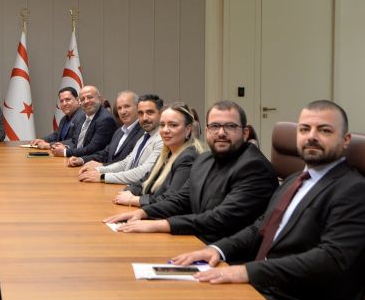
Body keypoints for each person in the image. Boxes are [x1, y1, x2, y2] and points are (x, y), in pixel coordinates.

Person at [172, 100, 365, 300]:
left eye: (324, 130)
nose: (312, 137)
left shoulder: (353, 191)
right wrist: (217, 249)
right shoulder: (295, 180)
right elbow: (260, 227)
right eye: (304, 129)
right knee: (183, 297)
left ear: (345, 140)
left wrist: (247, 272)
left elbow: (330, 259)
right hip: (272, 286)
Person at [106, 100, 278, 243]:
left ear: (245, 133)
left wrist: (160, 225)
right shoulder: (205, 160)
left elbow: (220, 218)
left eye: (230, 126)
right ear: (207, 130)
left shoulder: (254, 167)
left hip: (225, 254)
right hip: (196, 239)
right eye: (215, 126)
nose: (221, 133)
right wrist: (142, 213)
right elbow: (180, 200)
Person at [114, 102, 206, 206]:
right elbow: (144, 181)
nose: (165, 130)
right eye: (162, 125)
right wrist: (129, 191)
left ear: (188, 129)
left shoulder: (189, 157)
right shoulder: (166, 154)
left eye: (173, 125)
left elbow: (171, 200)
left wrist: (133, 200)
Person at [77, 94, 163, 184]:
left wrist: (102, 177)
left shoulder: (162, 139)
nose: (144, 118)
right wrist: (98, 170)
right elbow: (125, 164)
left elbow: (143, 172)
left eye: (150, 112)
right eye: (141, 113)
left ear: (161, 113)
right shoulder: (145, 136)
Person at [67, 90, 143, 167]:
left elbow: (130, 164)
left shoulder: (143, 133)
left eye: (127, 106)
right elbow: (105, 153)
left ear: (138, 107)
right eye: (119, 108)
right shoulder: (119, 132)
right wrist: (82, 160)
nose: (122, 112)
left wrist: (102, 166)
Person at [50, 85, 115, 158]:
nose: (86, 101)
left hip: (91, 161)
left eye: (89, 97)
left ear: (99, 98)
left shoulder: (105, 119)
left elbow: (93, 149)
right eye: (83, 99)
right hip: (76, 159)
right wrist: (63, 147)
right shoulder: (83, 117)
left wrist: (65, 152)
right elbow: (74, 141)